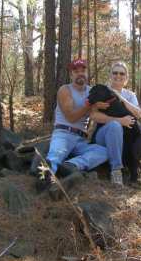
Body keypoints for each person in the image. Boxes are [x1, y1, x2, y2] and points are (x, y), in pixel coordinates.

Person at [90, 61, 141, 188]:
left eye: (122, 73)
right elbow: (93, 115)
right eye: (115, 73)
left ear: (126, 78)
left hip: (127, 136)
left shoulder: (130, 95)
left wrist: (120, 97)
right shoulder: (100, 91)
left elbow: (138, 114)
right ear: (110, 75)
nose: (118, 76)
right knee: (115, 126)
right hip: (105, 135)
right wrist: (119, 120)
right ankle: (116, 171)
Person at [37, 59, 109, 190]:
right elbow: (71, 117)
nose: (80, 73)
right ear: (71, 74)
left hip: (81, 140)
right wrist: (90, 104)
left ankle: (72, 165)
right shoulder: (65, 90)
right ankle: (44, 178)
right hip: (64, 134)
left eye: (83, 70)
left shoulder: (93, 91)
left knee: (104, 152)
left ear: (87, 72)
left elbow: (96, 115)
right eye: (76, 71)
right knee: (55, 156)